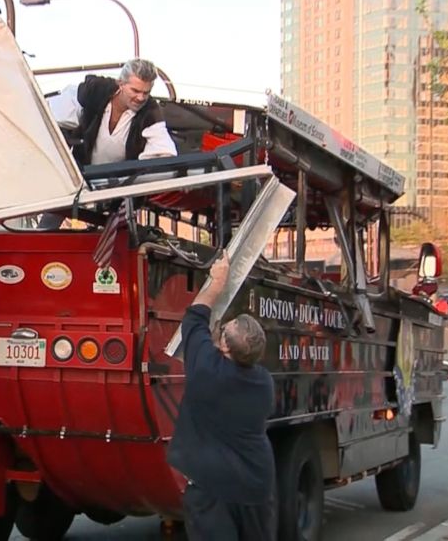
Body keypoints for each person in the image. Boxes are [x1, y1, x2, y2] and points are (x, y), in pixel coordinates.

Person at [167, 253, 276, 540]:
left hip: (212, 488)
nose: (221, 327)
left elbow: (195, 316)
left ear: (225, 347)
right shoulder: (263, 383)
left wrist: (217, 281)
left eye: (224, 329)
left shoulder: (207, 370)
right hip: (255, 486)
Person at [38, 58, 178, 229]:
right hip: (80, 175)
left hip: (118, 189)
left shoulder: (150, 112)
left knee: (118, 237)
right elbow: (50, 114)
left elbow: (163, 156)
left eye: (146, 93)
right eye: (135, 90)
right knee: (50, 219)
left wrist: (133, 179)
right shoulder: (95, 91)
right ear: (120, 83)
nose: (140, 97)